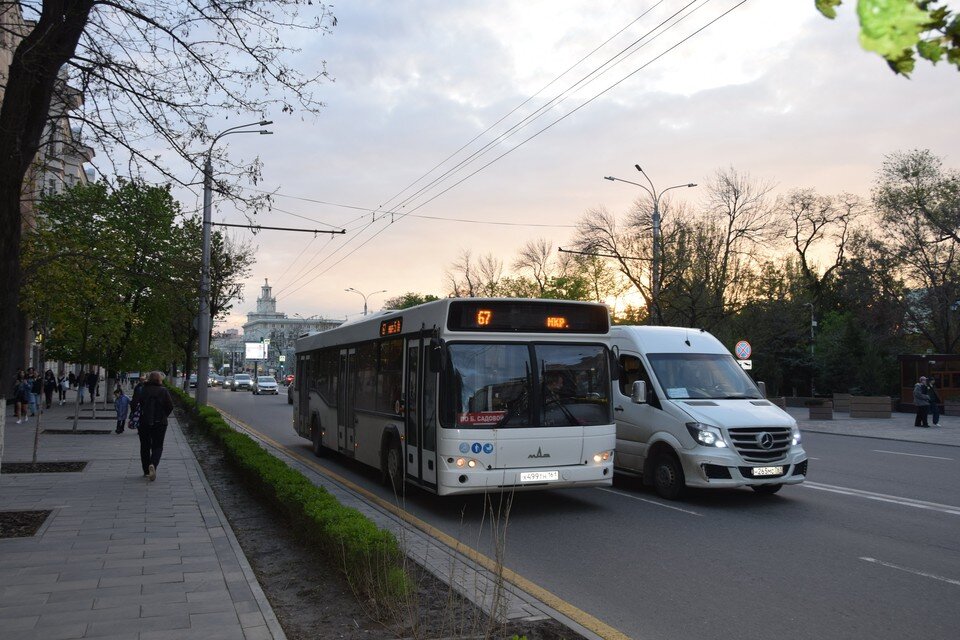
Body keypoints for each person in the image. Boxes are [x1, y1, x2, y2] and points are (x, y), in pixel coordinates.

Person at [130, 371, 173, 481]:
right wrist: (163, 416)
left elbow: (134, 404)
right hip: (160, 423)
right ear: (160, 380)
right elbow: (170, 406)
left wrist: (137, 415)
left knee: (144, 446)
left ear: (148, 379)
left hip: (144, 422)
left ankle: (146, 470)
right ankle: (153, 464)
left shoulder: (142, 389)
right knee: (157, 446)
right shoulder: (163, 391)